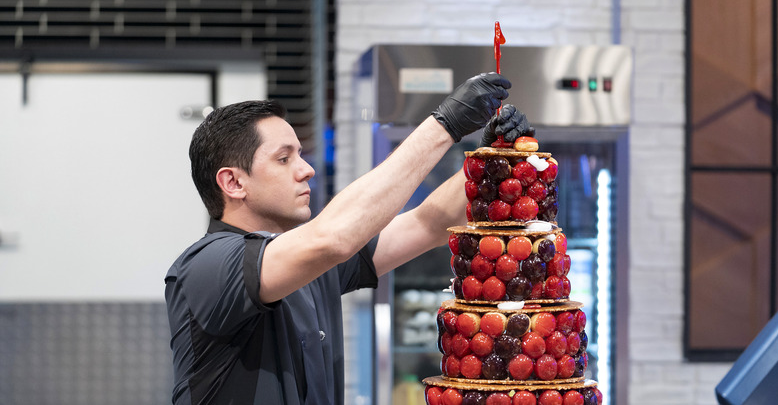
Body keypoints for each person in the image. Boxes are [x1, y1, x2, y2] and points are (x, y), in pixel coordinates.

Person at [164, 72, 530, 405]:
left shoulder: (312, 266)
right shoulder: (207, 266)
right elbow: (333, 237)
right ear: (233, 183)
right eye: (283, 159)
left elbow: (428, 224)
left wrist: (489, 160)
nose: (306, 170)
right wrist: (444, 125)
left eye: (300, 156)